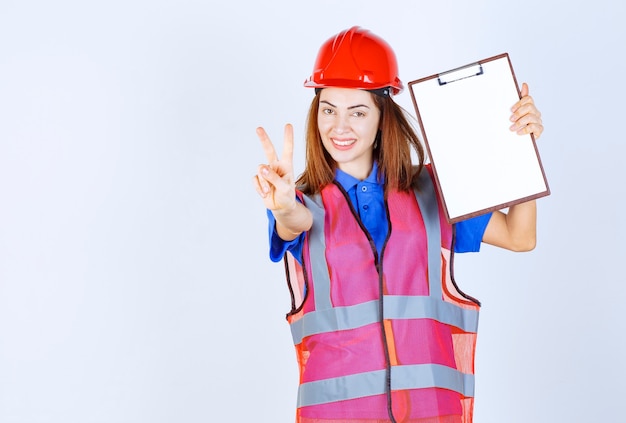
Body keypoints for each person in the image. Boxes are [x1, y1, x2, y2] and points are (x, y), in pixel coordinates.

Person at [253, 26, 543, 423]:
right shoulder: (297, 200)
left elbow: (519, 236)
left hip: (430, 413)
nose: (340, 126)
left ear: (381, 115)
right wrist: (284, 207)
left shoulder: (432, 190)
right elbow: (294, 222)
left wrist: (520, 147)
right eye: (328, 109)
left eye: (357, 111)